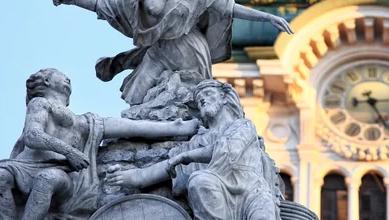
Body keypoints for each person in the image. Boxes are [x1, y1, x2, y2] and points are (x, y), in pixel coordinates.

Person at [52, 0, 293, 105]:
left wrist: (268, 17)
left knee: (195, 102)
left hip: (190, 48)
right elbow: (108, 5)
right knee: (136, 95)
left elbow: (227, 7)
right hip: (160, 49)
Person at [0, 68, 200, 220]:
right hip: (26, 167)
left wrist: (175, 128)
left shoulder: (85, 121)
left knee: (48, 178)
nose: (68, 79)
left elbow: (129, 127)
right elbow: (33, 136)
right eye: (61, 75)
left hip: (62, 179)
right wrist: (70, 152)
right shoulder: (40, 103)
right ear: (48, 82)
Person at [106, 79, 281, 220]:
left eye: (208, 93)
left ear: (225, 98)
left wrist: (185, 157)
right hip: (216, 197)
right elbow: (147, 176)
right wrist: (123, 176)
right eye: (198, 99)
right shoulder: (196, 143)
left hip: (253, 195)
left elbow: (227, 149)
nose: (202, 99)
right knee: (199, 179)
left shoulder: (243, 126)